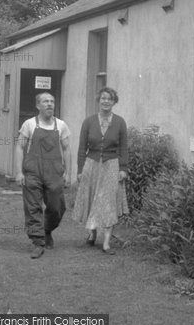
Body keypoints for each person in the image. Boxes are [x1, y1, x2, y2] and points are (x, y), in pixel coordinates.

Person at [73, 87, 129, 255]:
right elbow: (82, 147)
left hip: (111, 165)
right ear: (99, 100)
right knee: (91, 198)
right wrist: (80, 169)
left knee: (109, 201)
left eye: (110, 99)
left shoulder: (120, 122)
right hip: (91, 164)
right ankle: (91, 235)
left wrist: (123, 169)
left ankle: (106, 243)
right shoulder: (89, 122)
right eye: (103, 98)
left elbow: (124, 148)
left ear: (114, 102)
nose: (106, 101)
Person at [15, 92, 72, 259]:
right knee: (33, 207)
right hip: (33, 172)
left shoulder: (61, 125)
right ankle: (38, 242)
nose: (49, 104)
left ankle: (46, 230)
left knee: (57, 207)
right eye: (45, 101)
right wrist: (19, 172)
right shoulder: (29, 124)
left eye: (52, 101)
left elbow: (67, 149)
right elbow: (19, 147)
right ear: (38, 106)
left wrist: (68, 172)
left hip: (54, 173)